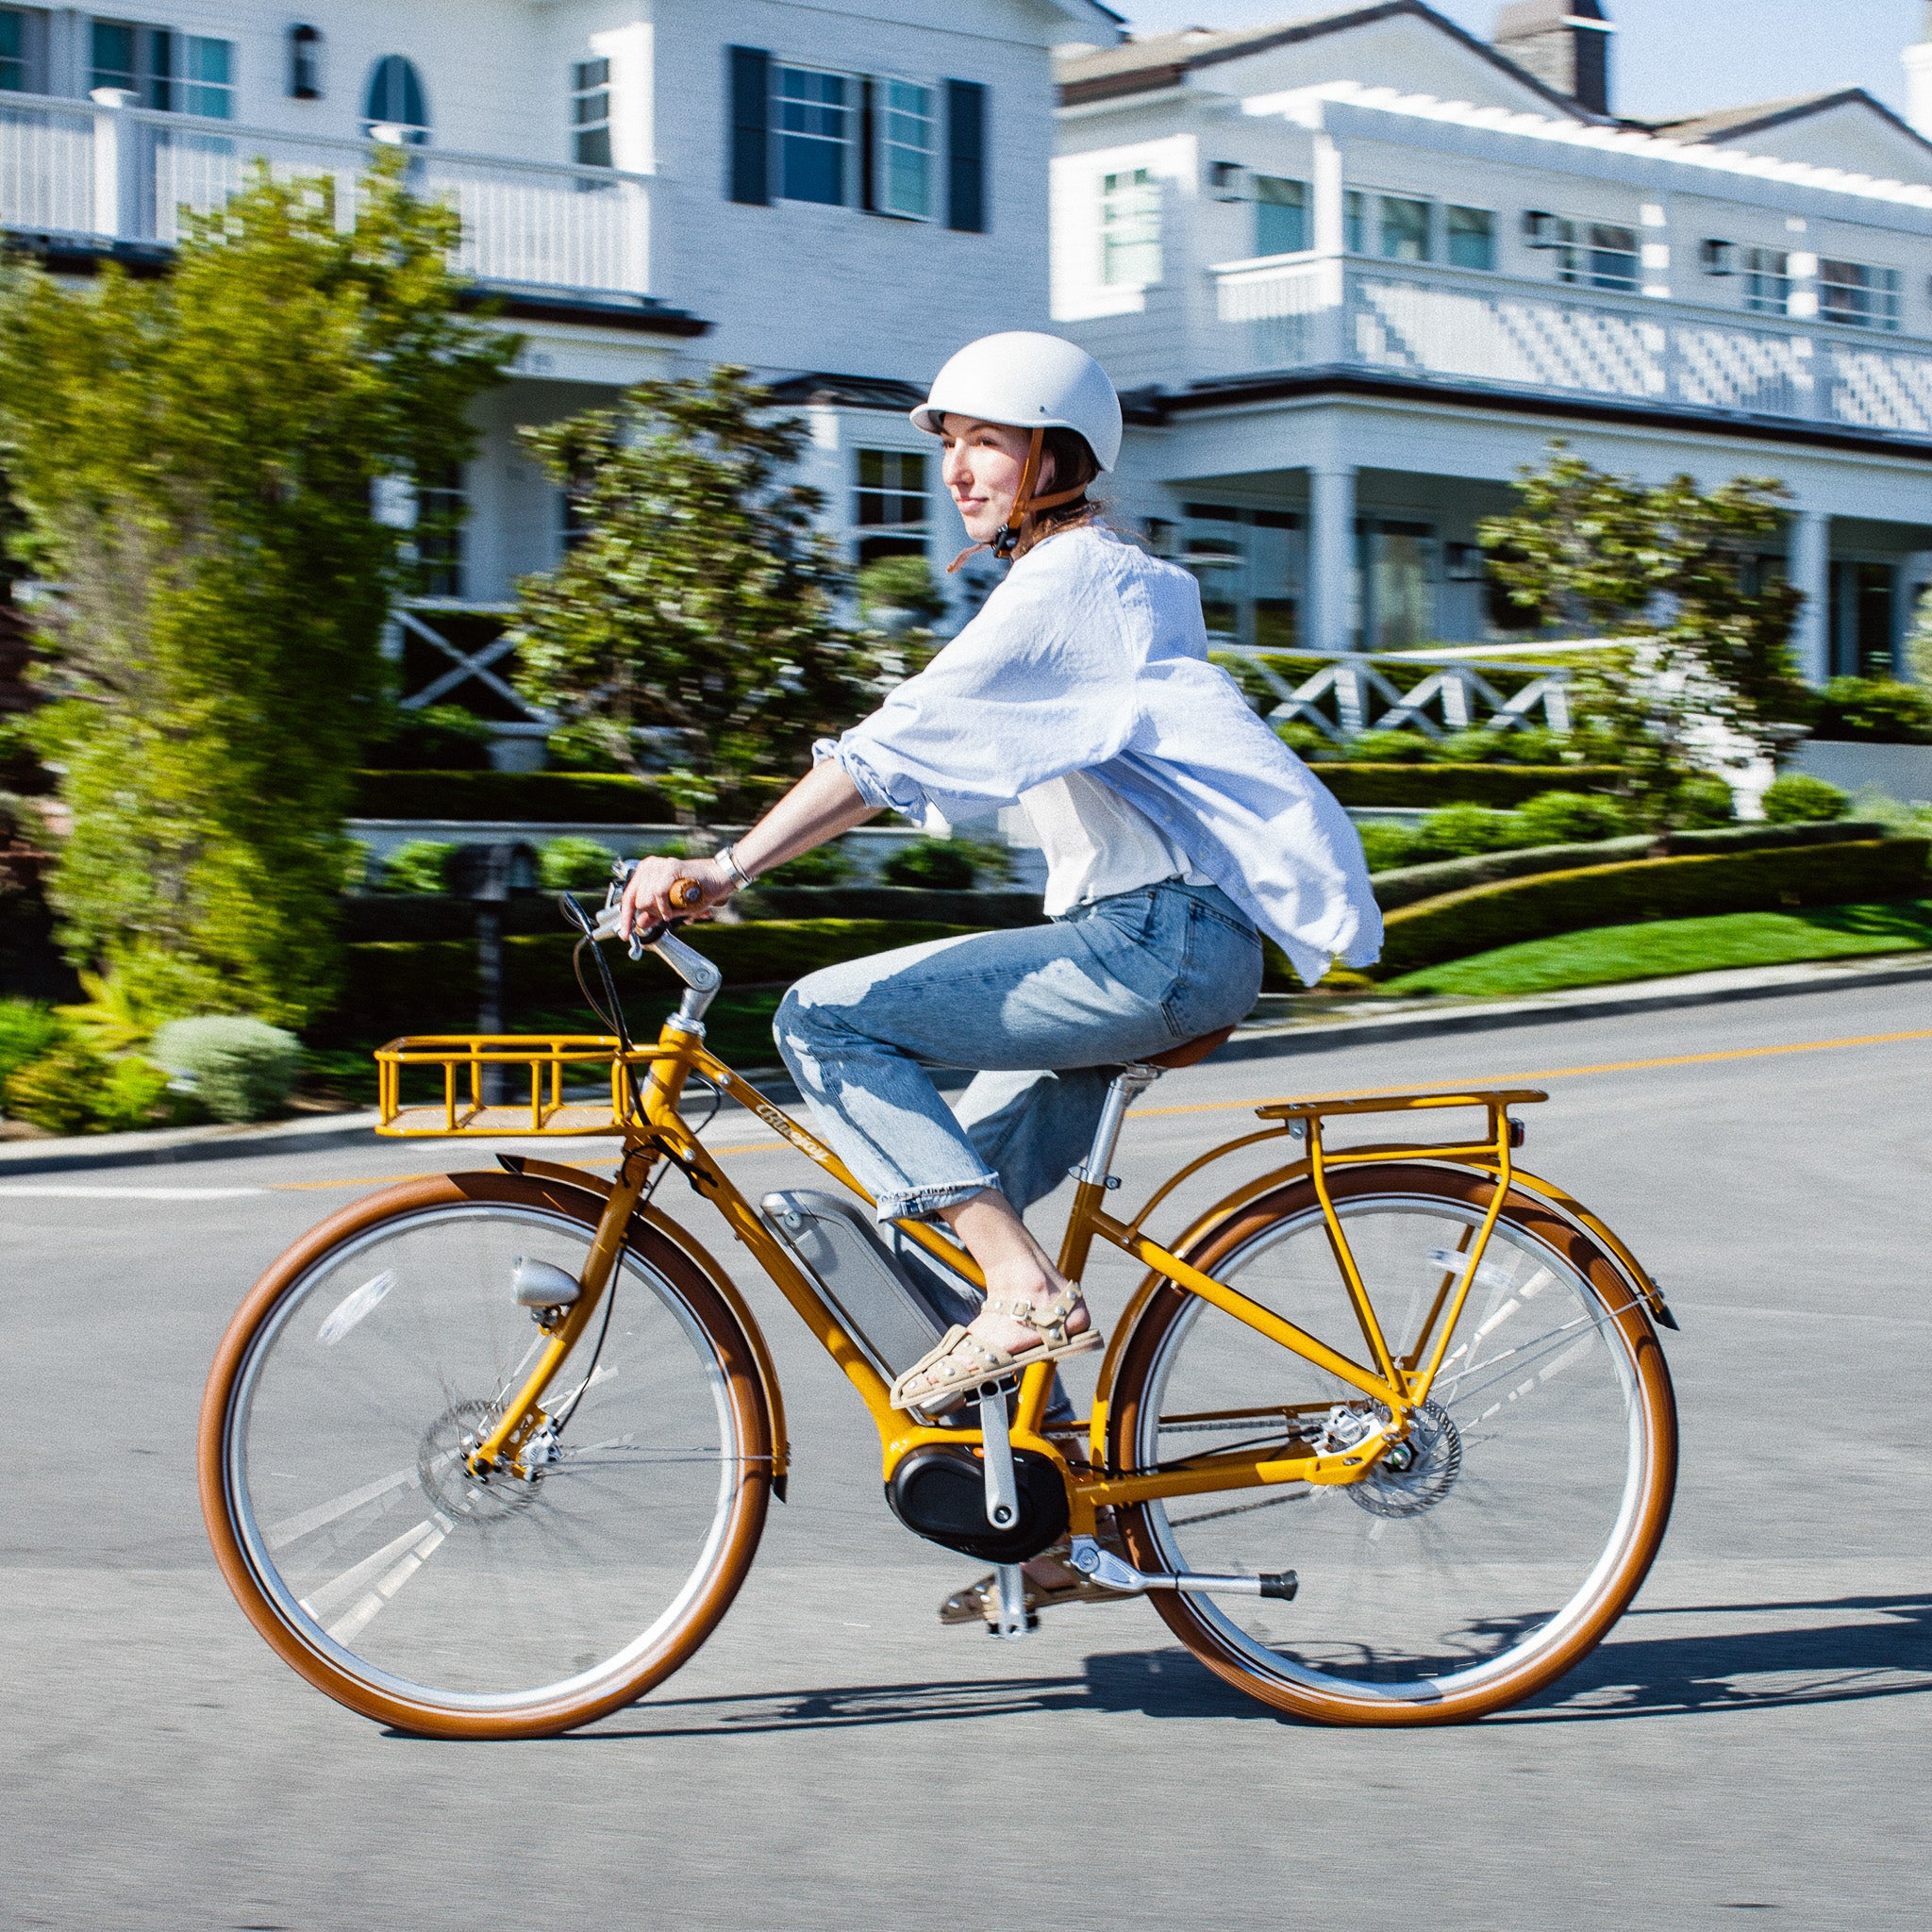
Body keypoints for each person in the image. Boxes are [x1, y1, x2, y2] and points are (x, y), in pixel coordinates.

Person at [620, 330, 1381, 1622]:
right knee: (932, 1204)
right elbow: (953, 740)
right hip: (1161, 945)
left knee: (826, 1019)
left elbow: (899, 742)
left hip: (1157, 943)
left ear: (1056, 456)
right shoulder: (1089, 586)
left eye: (987, 440)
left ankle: (1026, 1297)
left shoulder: (1074, 582)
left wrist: (730, 866)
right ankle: (1057, 1529)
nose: (960, 468)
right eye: (951, 443)